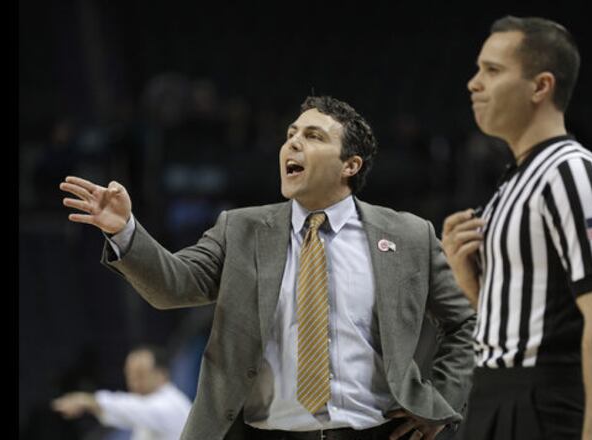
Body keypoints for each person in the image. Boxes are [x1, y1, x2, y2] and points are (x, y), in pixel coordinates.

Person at [60, 96, 477, 440]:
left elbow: (464, 324)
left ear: (350, 165)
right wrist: (125, 230)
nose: (292, 144)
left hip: (375, 432)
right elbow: (175, 285)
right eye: (290, 135)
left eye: (312, 136)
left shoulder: (408, 235)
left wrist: (441, 401)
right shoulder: (240, 230)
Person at [441, 16, 592, 440]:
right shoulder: (514, 181)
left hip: (542, 401)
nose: (474, 83)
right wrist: (469, 280)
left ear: (540, 86)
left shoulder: (572, 172)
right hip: (492, 391)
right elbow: (518, 329)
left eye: (492, 70)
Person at [51, 345, 192, 440]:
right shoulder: (148, 406)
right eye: (130, 376)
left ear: (162, 374)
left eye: (140, 375)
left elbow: (134, 408)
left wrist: (87, 401)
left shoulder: (170, 405)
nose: (134, 383)